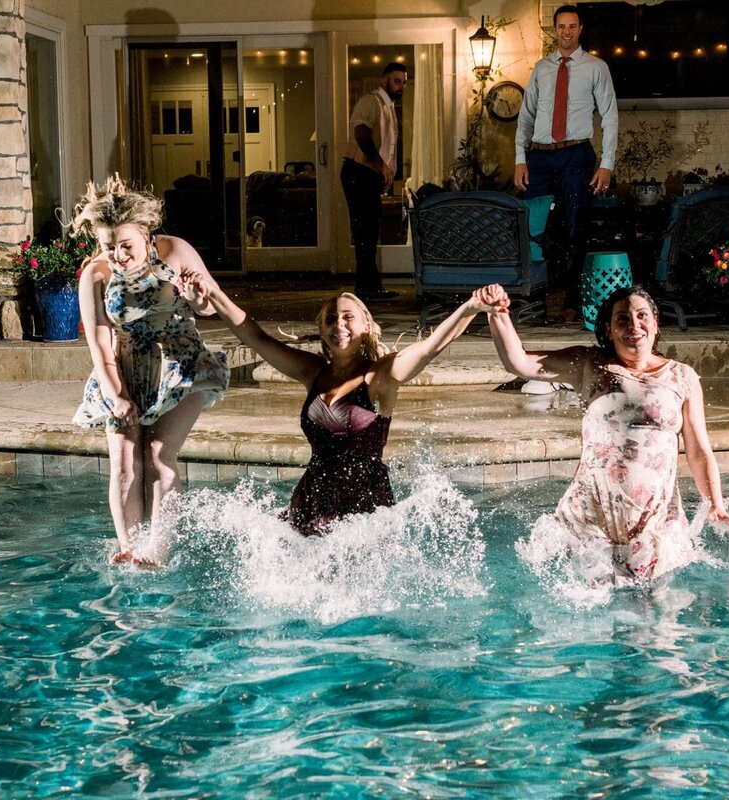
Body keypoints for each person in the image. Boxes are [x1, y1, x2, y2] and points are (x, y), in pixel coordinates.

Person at [180, 271, 503, 535]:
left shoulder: (380, 376)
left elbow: (430, 347)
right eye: (331, 319)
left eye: (348, 317)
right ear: (321, 328)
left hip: (363, 501)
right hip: (313, 494)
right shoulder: (313, 371)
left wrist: (471, 308)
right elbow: (258, 338)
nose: (339, 325)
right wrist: (214, 293)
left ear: (366, 325)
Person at [483, 283, 729, 581]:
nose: (634, 325)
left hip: (652, 523)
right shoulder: (589, 364)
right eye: (623, 319)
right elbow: (520, 362)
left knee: (656, 618)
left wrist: (715, 504)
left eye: (642, 316)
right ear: (609, 328)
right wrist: (497, 313)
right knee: (590, 615)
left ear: (656, 324)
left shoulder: (682, 377)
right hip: (592, 518)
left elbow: (698, 451)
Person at [70, 175, 230, 566]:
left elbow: (211, 307)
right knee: (126, 461)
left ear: (145, 233)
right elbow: (99, 344)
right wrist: (116, 394)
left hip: (180, 365)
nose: (119, 256)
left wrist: (197, 299)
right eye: (110, 247)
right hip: (123, 368)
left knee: (158, 454)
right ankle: (129, 547)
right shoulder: (95, 275)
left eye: (126, 245)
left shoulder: (175, 252)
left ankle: (157, 551)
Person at [514, 4, 619, 319]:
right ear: (554, 30)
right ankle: (535, 301)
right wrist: (521, 159)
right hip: (540, 156)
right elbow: (526, 116)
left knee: (575, 227)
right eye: (561, 26)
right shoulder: (541, 68)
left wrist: (607, 163)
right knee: (534, 228)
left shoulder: (596, 67)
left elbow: (610, 116)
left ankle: (572, 302)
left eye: (572, 26)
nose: (567, 32)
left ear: (580, 29)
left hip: (576, 153)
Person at [340, 61, 409, 301]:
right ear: (384, 81)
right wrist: (380, 166)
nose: (401, 87)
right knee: (365, 231)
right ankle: (366, 288)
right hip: (358, 172)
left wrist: (386, 172)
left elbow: (387, 144)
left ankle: (371, 287)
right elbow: (361, 133)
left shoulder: (388, 106)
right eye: (396, 81)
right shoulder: (372, 101)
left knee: (370, 231)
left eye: (404, 83)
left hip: (368, 174)